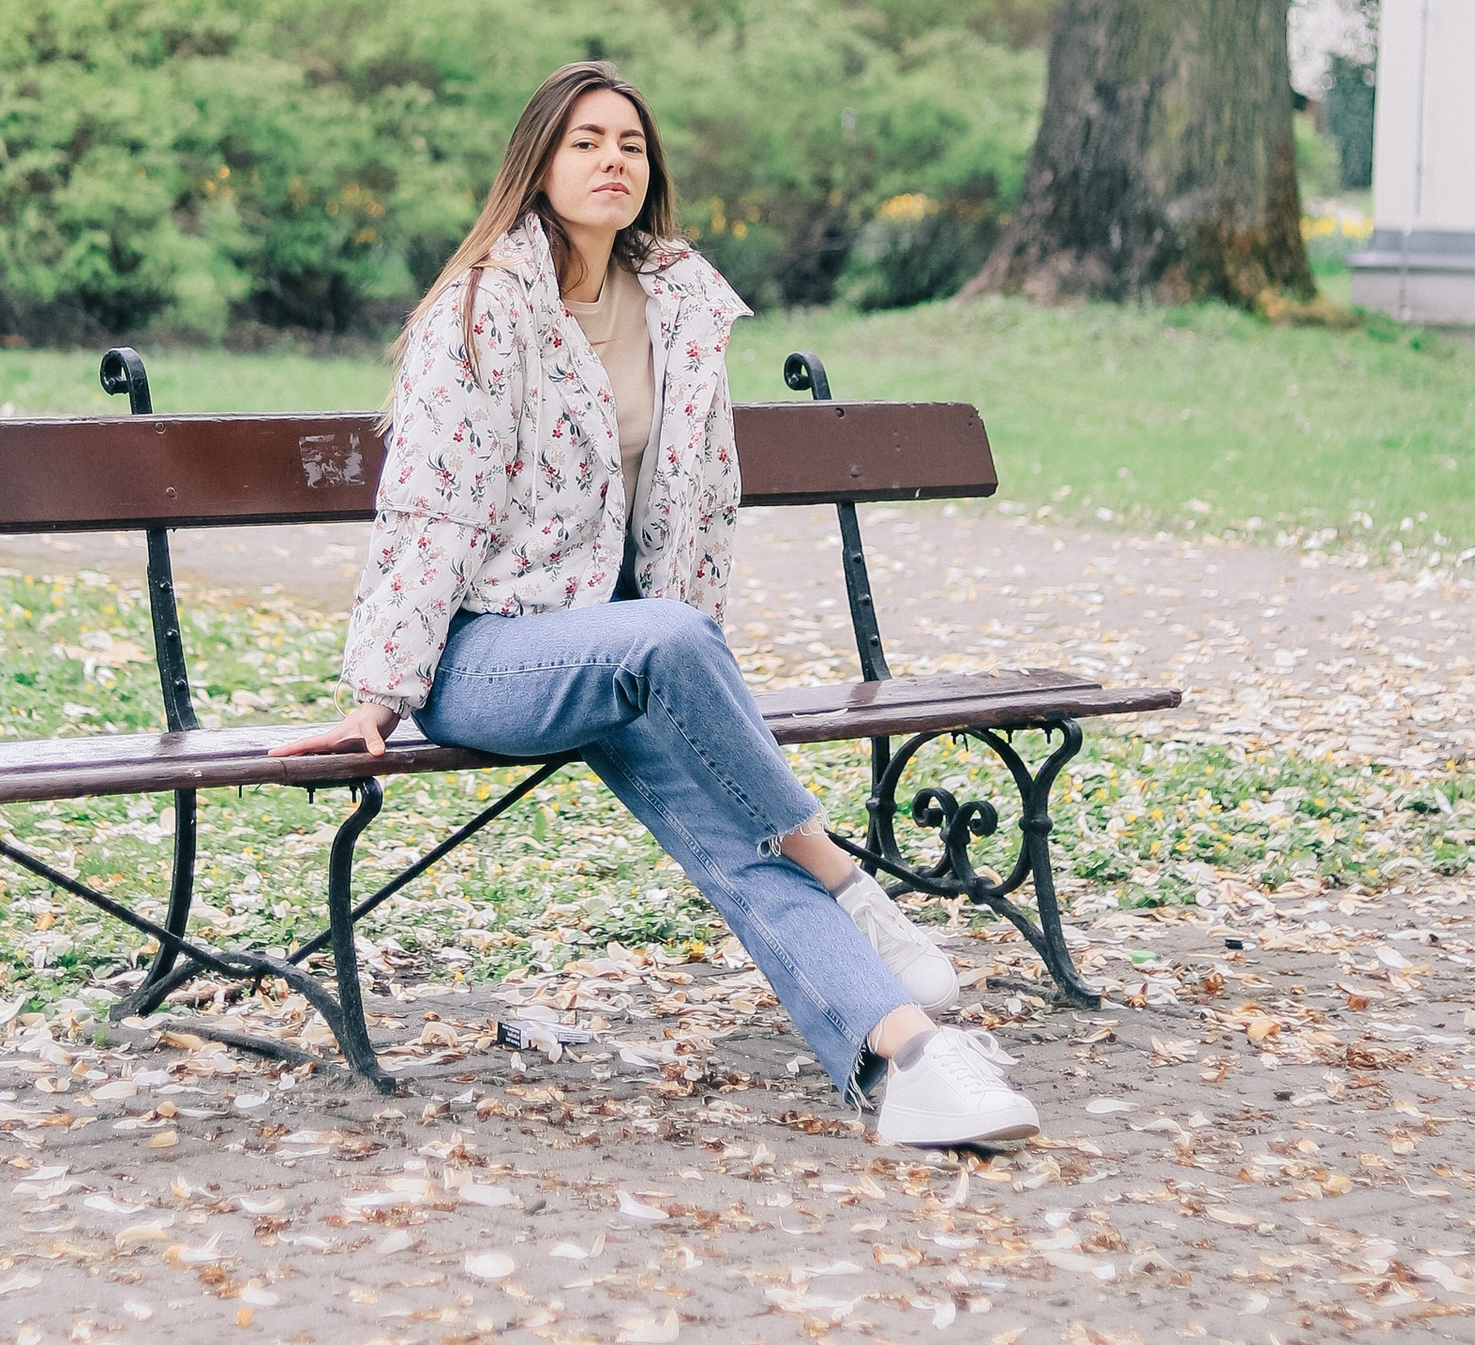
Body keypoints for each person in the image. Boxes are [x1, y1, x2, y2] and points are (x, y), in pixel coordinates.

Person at [273, 60, 1039, 1153]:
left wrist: (682, 665)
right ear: (538, 166)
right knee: (674, 642)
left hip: (627, 650)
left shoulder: (678, 300)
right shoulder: (484, 309)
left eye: (629, 144)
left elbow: (699, 504)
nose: (610, 161)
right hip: (481, 659)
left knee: (739, 840)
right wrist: (382, 695)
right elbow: (429, 512)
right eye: (585, 141)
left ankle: (909, 1059)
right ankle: (849, 877)